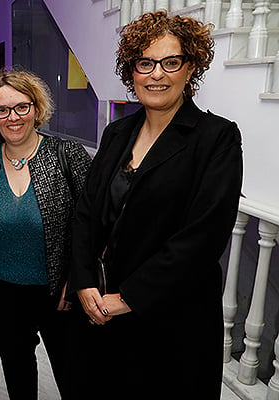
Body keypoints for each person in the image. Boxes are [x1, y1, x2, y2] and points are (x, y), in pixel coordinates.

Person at [67, 10, 243, 399]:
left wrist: (129, 297)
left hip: (173, 319)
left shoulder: (217, 138)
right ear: (131, 70)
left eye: (170, 62)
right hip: (103, 310)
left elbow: (203, 237)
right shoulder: (117, 133)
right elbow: (86, 213)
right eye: (145, 63)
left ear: (190, 67)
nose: (156, 74)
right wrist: (82, 281)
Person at [0, 68, 91, 399]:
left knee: (74, 377)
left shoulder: (68, 156)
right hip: (0, 290)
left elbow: (94, 225)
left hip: (59, 293)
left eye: (22, 107)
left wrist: (78, 278)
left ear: (36, 108)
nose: (13, 117)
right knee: (18, 373)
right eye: (2, 110)